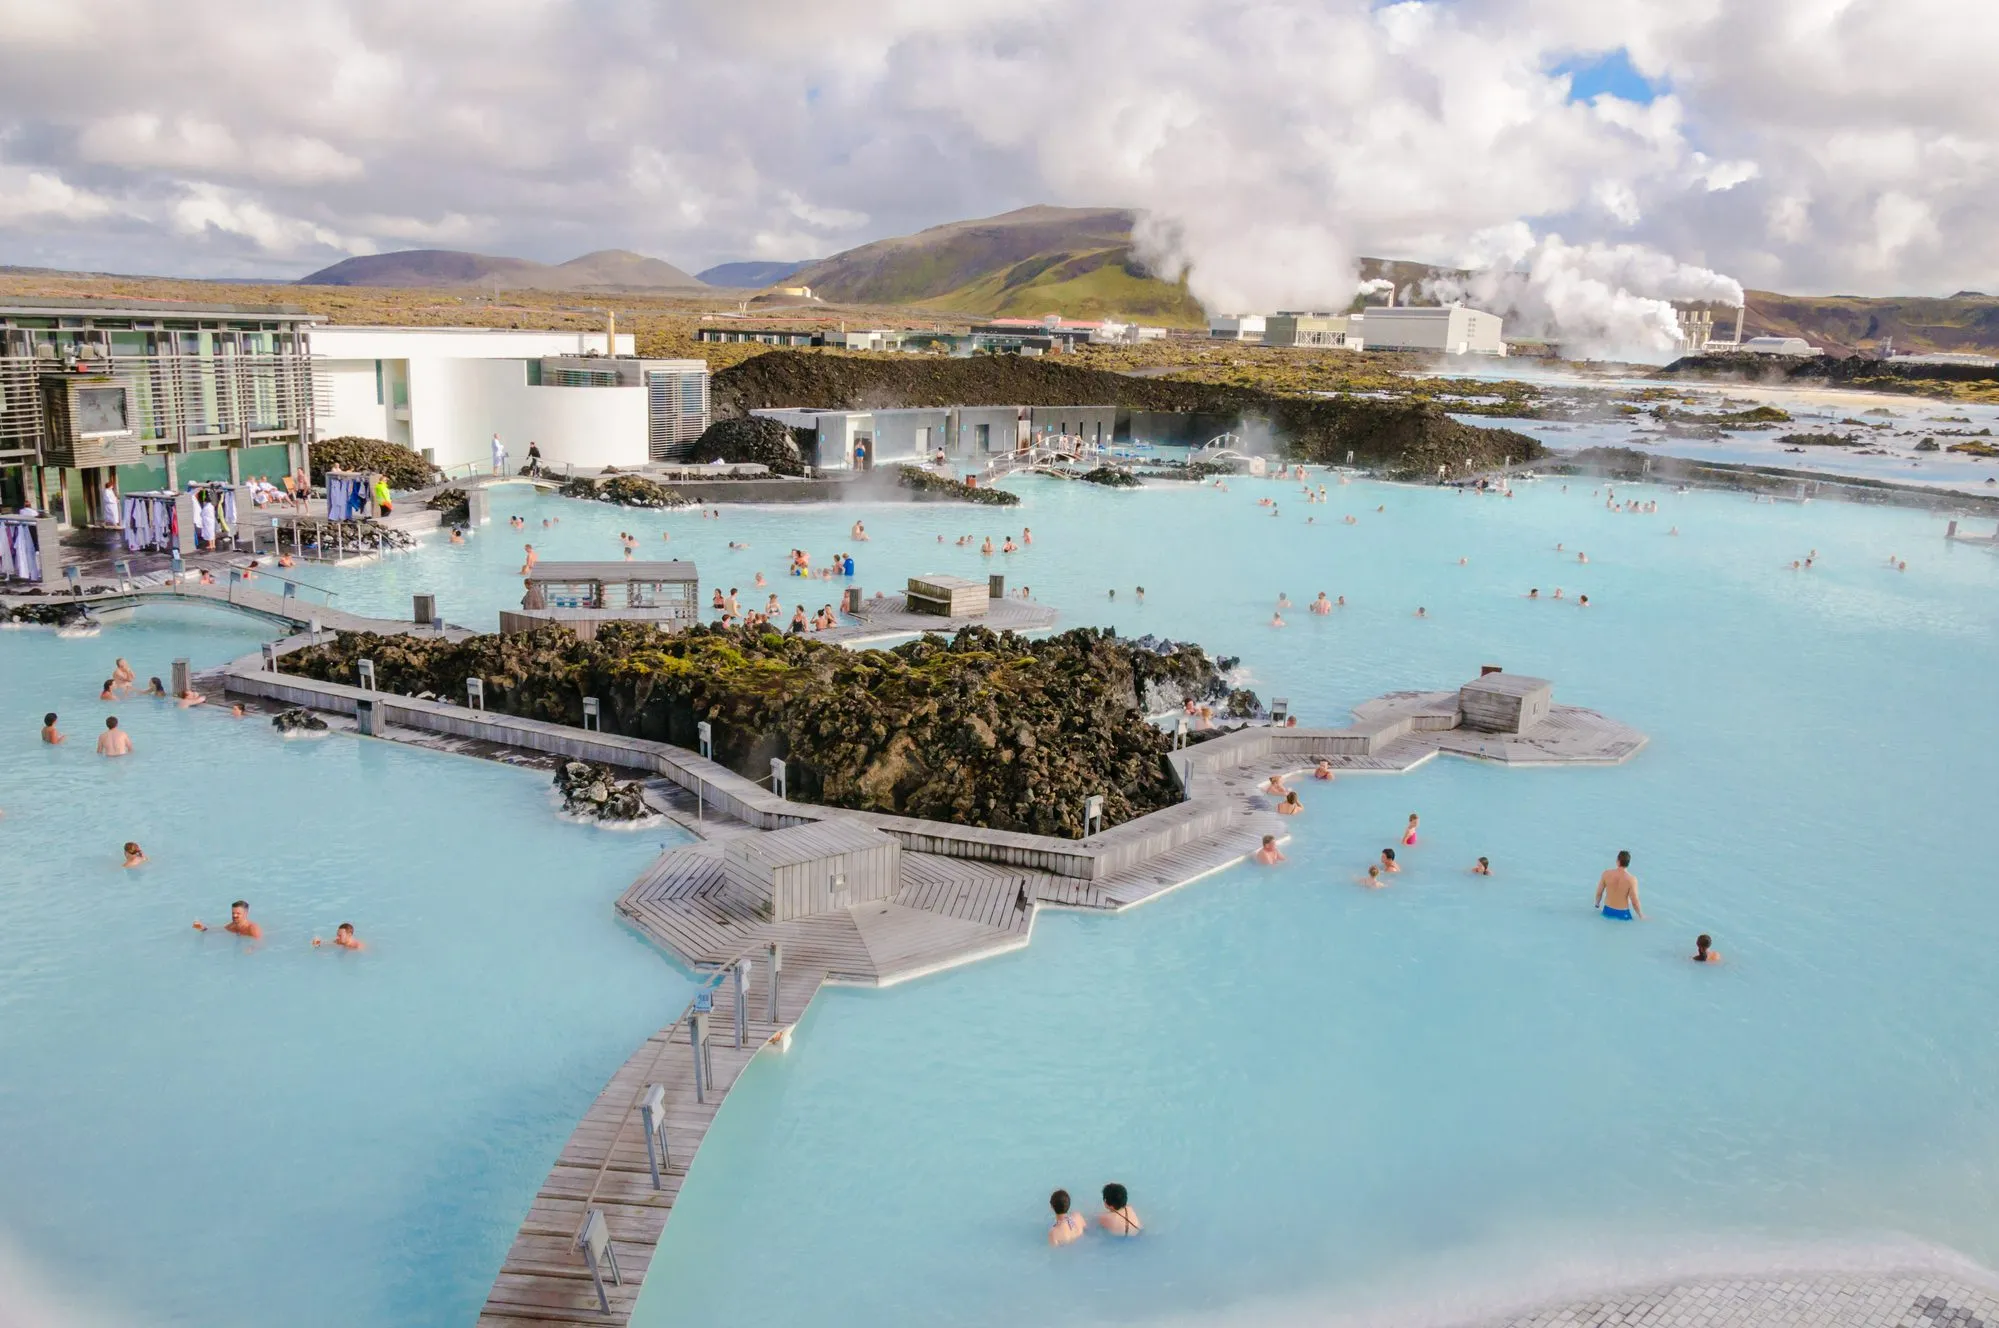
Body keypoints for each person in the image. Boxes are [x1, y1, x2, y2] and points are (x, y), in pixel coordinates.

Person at [1594, 849, 1643, 920]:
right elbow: (1634, 900)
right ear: (1628, 863)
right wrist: (1641, 915)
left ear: (1618, 861)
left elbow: (1599, 892)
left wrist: (1597, 904)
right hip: (1623, 913)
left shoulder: (1606, 874)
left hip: (1607, 911)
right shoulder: (1632, 880)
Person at [194, 900, 261, 940]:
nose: (234, 916)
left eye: (238, 913)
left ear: (246, 913)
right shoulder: (233, 925)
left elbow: (260, 944)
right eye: (233, 913)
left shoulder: (253, 928)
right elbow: (220, 929)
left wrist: (251, 949)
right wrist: (203, 928)